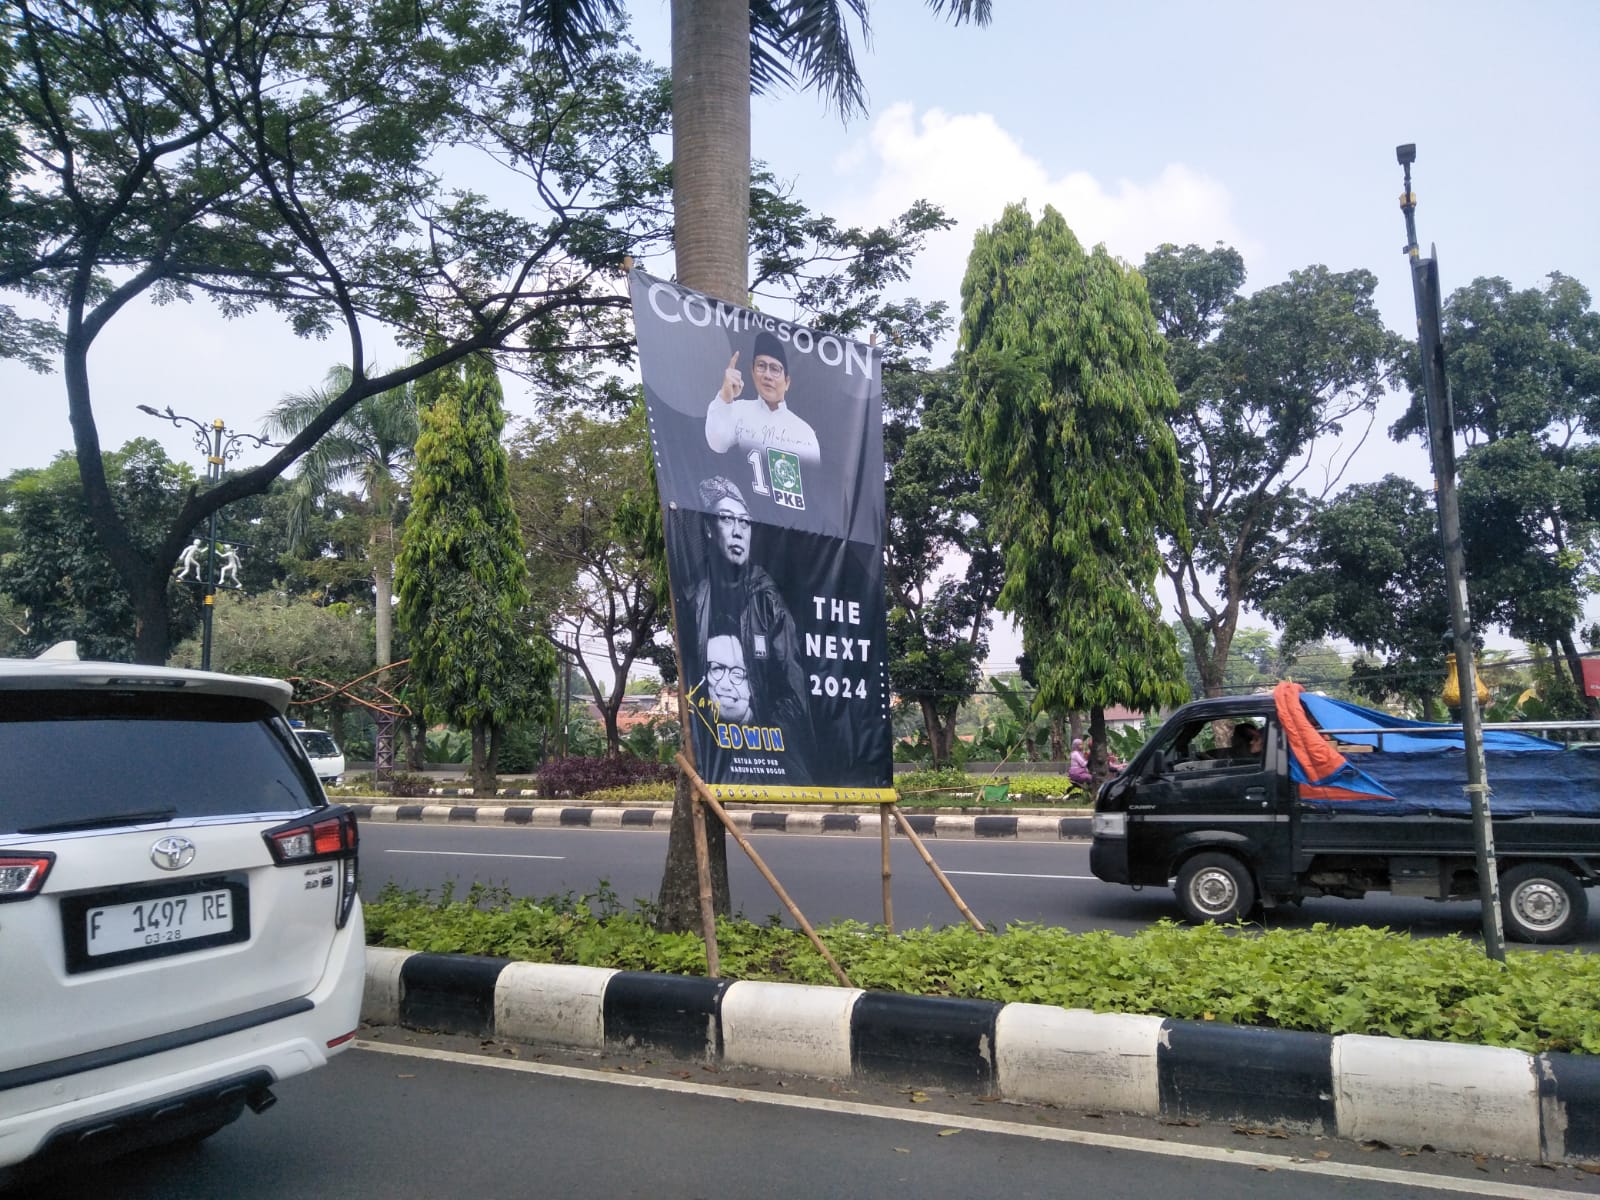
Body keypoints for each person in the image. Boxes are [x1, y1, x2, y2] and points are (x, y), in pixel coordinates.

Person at [683, 476, 813, 772]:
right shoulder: (694, 597)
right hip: (710, 752)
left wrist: (754, 728)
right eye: (727, 520)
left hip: (767, 754)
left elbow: (794, 693)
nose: (738, 531)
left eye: (745, 522)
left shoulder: (767, 601)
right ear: (709, 529)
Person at [705, 330, 821, 467]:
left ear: (787, 382)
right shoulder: (738, 410)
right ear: (752, 372)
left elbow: (812, 481)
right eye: (761, 366)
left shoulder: (804, 432)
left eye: (775, 369)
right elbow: (717, 443)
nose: (767, 375)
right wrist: (724, 397)